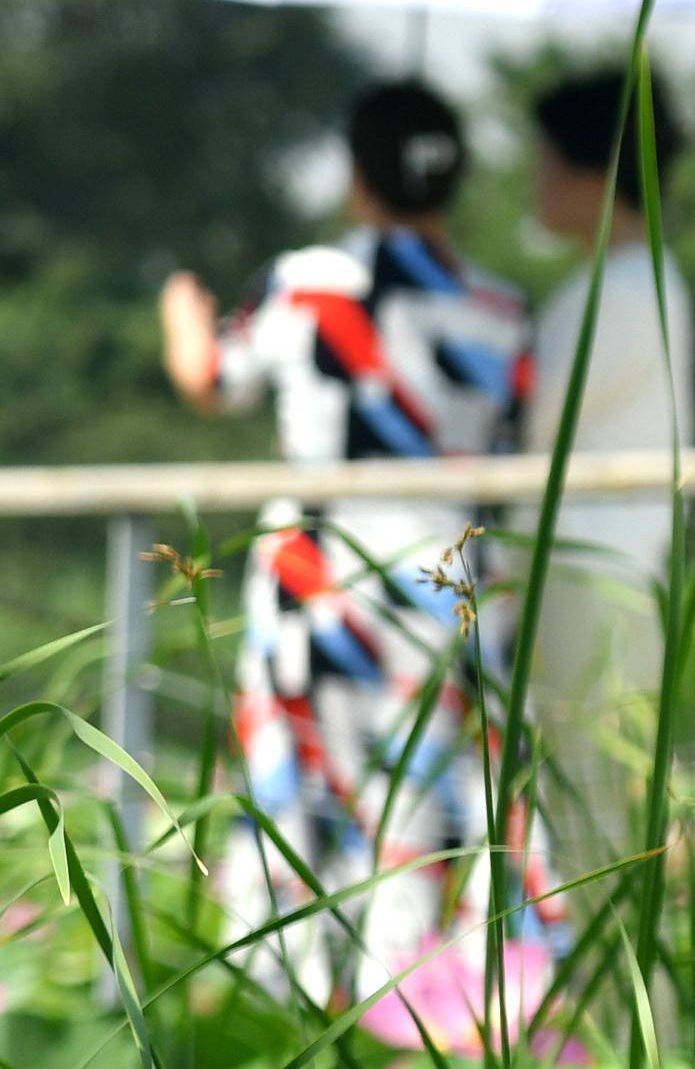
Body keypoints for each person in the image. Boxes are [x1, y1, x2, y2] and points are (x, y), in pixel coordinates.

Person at [156, 80, 557, 1008]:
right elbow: (510, 440)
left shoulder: (305, 283)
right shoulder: (503, 310)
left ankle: (278, 1010)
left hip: (317, 579)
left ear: (355, 174)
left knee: (298, 802)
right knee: (417, 805)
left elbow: (213, 377)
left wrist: (182, 309)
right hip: (444, 583)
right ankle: (413, 1011)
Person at [516, 66, 691, 872]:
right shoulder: (628, 280)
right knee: (585, 809)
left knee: (591, 815)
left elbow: (526, 425)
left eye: (545, 165)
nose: (534, 185)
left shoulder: (617, 292)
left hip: (591, 573)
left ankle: (615, 997)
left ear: (592, 175)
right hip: (604, 570)